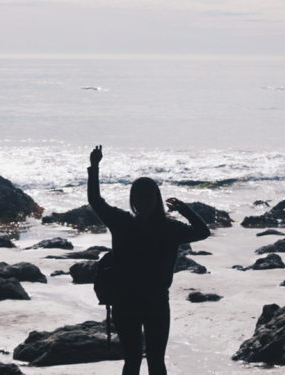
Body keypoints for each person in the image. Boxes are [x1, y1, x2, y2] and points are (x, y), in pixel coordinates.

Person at [86, 145, 210, 375]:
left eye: (147, 196)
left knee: (141, 361)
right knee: (146, 361)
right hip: (144, 303)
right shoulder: (166, 227)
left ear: (155, 198)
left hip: (138, 302)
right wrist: (184, 209)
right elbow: (202, 231)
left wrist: (94, 168)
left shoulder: (126, 223)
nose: (143, 200)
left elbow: (95, 200)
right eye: (140, 196)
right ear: (135, 199)